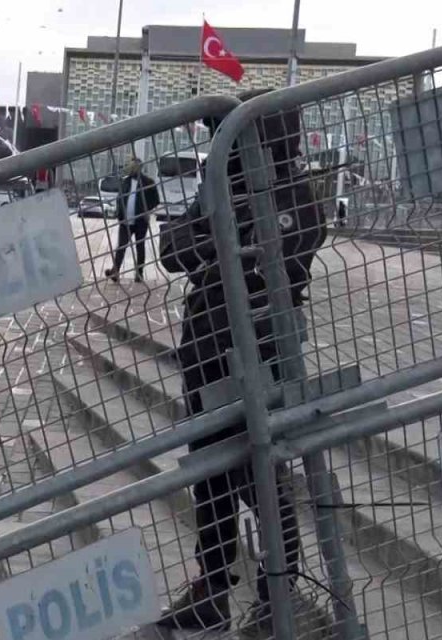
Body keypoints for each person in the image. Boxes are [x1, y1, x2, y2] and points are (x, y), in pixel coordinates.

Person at [156, 91, 325, 635]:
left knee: (259, 470)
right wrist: (220, 240)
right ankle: (212, 588)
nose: (220, 138)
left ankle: (281, 588)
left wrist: (220, 242)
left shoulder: (289, 190)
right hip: (206, 347)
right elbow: (174, 247)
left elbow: (287, 247)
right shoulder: (223, 181)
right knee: (210, 473)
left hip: (261, 352)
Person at [106, 157, 160, 283]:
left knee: (139, 246)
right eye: (130, 166)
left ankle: (139, 273)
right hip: (125, 221)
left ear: (139, 168)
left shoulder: (148, 182)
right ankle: (115, 271)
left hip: (141, 221)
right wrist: (119, 213)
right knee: (121, 246)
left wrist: (147, 210)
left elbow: (156, 200)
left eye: (133, 166)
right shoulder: (125, 181)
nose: (130, 169)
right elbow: (120, 198)